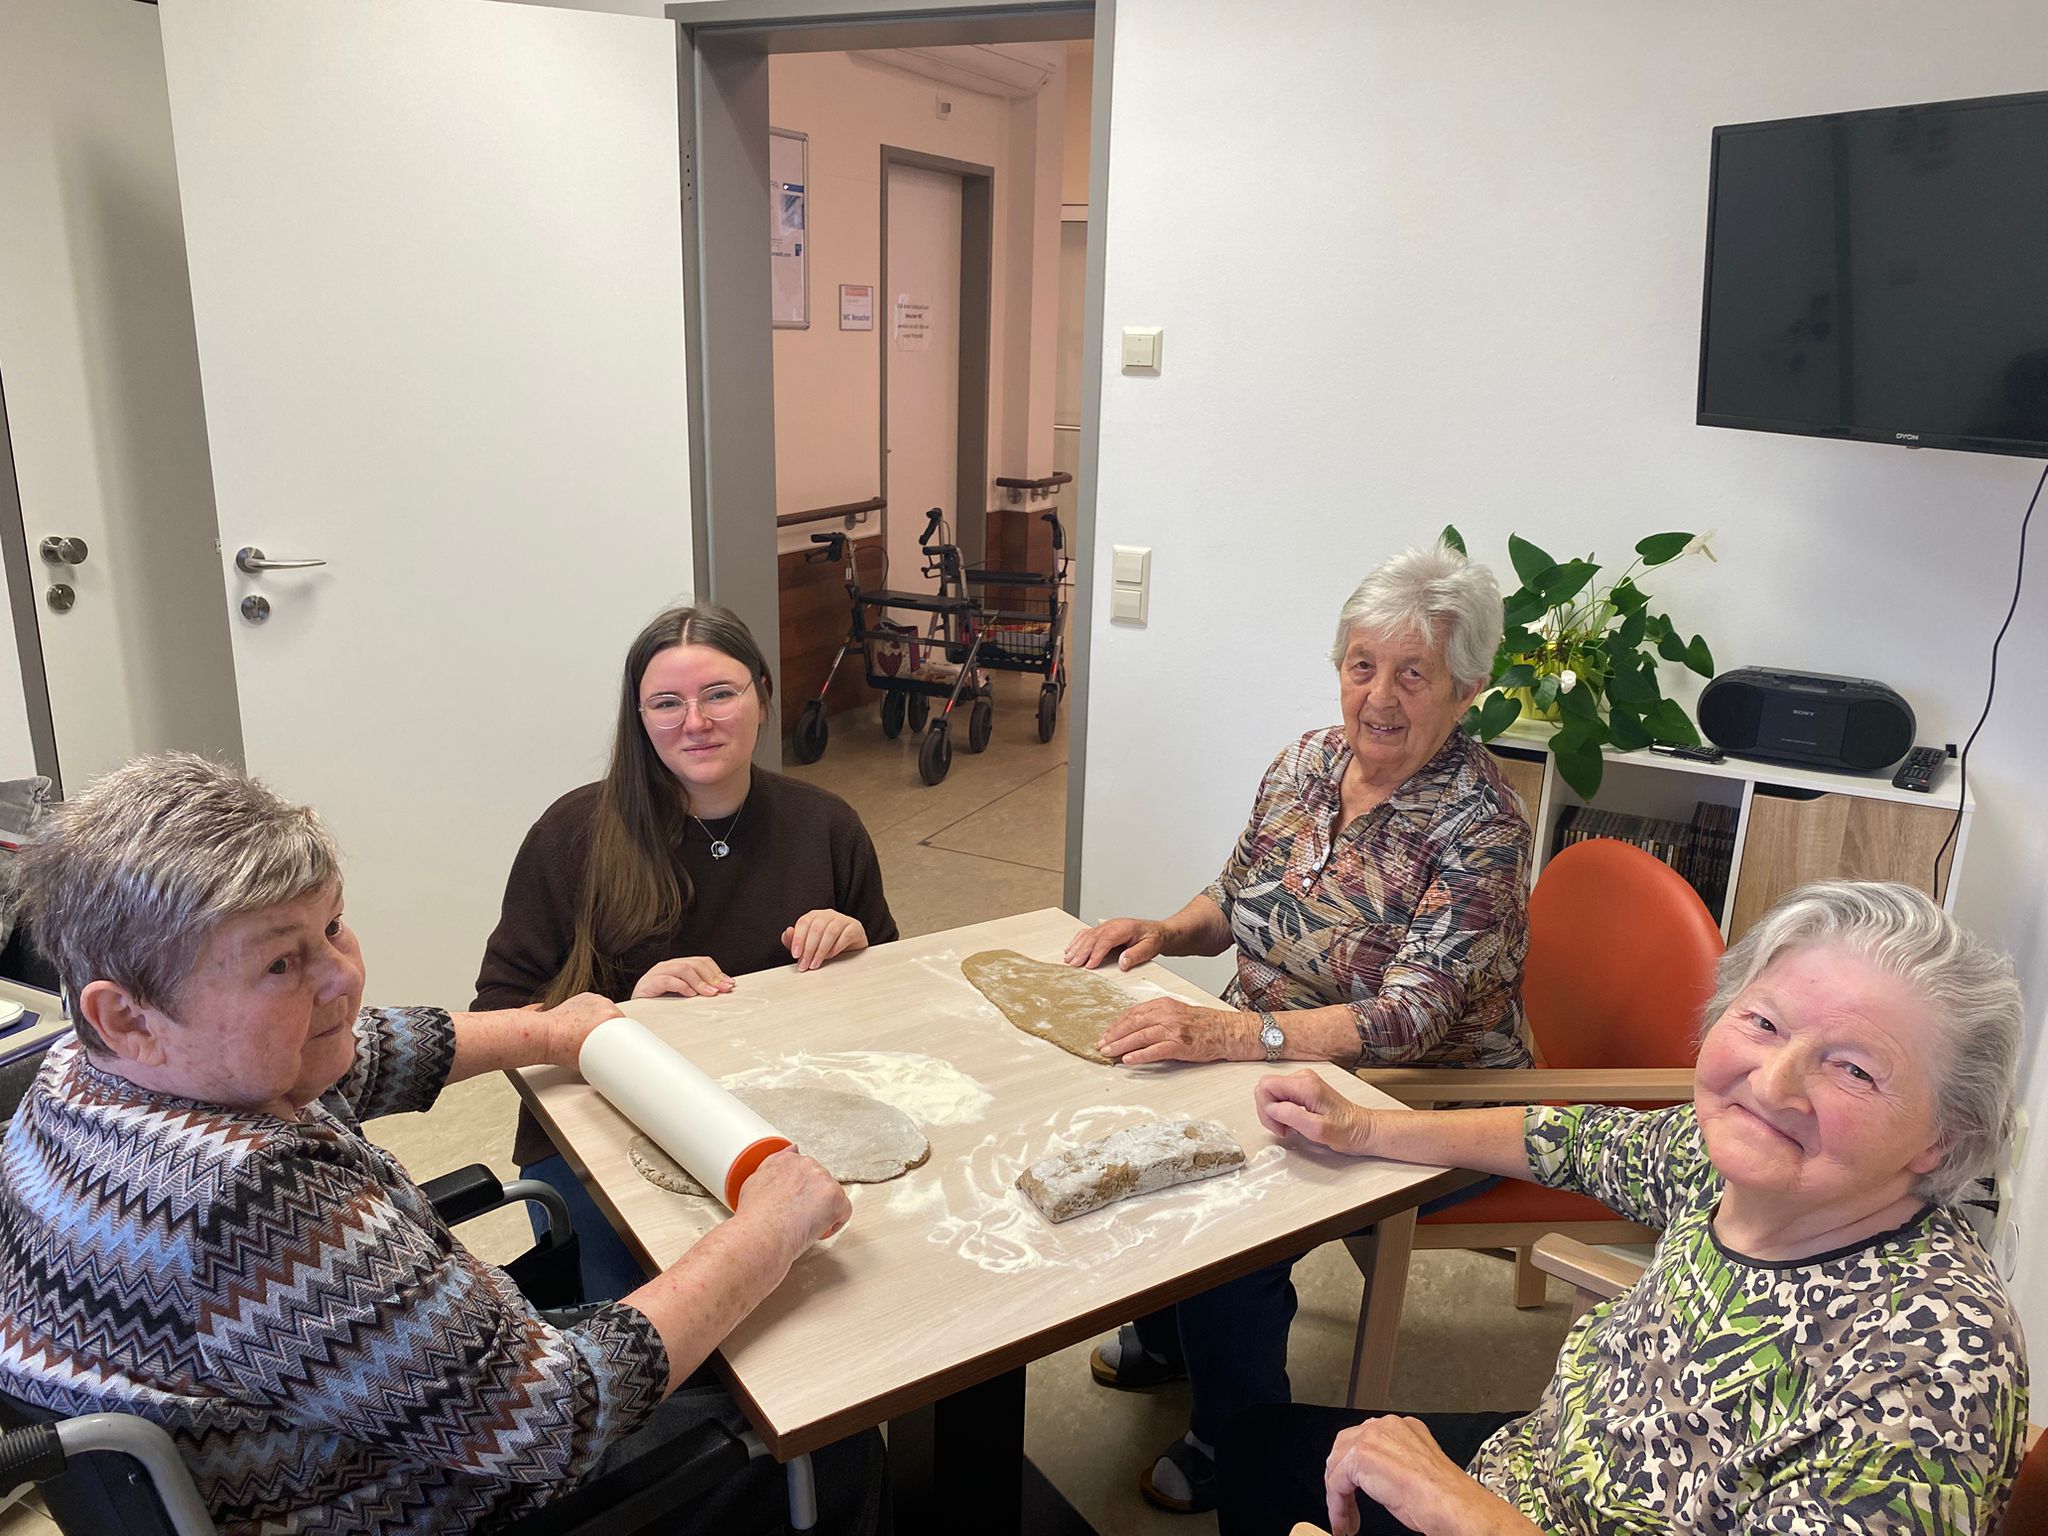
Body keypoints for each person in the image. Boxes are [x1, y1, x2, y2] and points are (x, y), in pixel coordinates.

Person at [0, 754, 885, 1535]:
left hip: (344, 1425)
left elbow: (357, 1052)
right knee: (824, 1423)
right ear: (129, 1013)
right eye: (280, 964)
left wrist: (554, 1030)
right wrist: (772, 1223)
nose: (343, 977)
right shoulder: (251, 1205)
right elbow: (555, 1415)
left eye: (333, 927)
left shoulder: (83, 1069)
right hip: (430, 1499)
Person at [1219, 879, 2029, 1536]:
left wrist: (1468, 1516)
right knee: (1254, 1449)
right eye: (1763, 1022)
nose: (1773, 1083)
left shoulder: (1932, 1367)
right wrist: (1364, 1127)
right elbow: (1565, 1139)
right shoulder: (1727, 1163)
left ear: (1942, 1140)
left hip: (1509, 1515)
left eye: (1854, 1070)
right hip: (1549, 1463)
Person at [1065, 539, 1534, 1512]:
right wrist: (1164, 931)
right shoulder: (1306, 763)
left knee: (1230, 1208)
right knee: (1118, 1108)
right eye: (1362, 666)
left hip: (1421, 1099)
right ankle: (1173, 1337)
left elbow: (1409, 1019)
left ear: (1466, 690)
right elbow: (1233, 897)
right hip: (1271, 1051)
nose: (1379, 697)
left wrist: (1231, 1039)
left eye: (1413, 674)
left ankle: (1233, 1434)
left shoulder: (1481, 824)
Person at [475, 604, 897, 1298]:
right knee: (657, 1322)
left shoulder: (825, 824)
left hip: (789, 1109)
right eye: (667, 703)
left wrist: (856, 943)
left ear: (763, 695)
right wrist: (621, 1015)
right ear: (639, 717)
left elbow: (891, 986)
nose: (695, 722)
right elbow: (498, 1008)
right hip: (602, 1133)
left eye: (719, 694)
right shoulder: (573, 832)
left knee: (853, 1289)